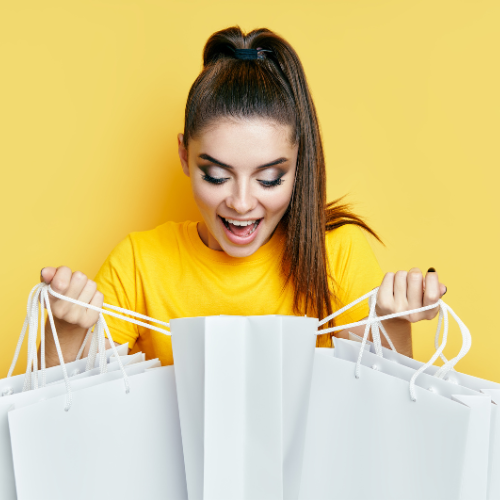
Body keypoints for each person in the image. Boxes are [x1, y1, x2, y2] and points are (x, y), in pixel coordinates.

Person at [39, 26, 446, 368]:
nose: (241, 202)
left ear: (297, 163)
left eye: (269, 179)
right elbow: (59, 420)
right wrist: (67, 328)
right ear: (184, 155)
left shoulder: (337, 254)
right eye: (216, 175)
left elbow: (382, 419)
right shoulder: (140, 264)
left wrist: (393, 322)